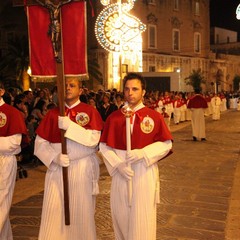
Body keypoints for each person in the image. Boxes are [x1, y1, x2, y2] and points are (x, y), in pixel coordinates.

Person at [99, 73, 173, 240]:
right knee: (121, 218)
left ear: (143, 92)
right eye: (127, 89)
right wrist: (118, 165)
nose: (130, 93)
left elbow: (167, 144)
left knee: (143, 220)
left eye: (135, 89)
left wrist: (143, 153)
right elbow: (103, 146)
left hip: (144, 173)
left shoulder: (153, 117)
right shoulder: (114, 118)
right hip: (120, 174)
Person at [34, 77, 103, 240]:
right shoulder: (52, 113)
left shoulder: (90, 111)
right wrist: (54, 158)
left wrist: (70, 127)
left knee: (81, 212)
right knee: (54, 211)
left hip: (82, 168)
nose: (68, 88)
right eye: (64, 85)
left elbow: (93, 140)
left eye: (72, 85)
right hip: (58, 169)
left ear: (80, 90)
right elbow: (39, 144)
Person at [0, 81, 27, 240]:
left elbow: (13, 143)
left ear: (1, 91)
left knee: (1, 203)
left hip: (3, 162)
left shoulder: (11, 113)